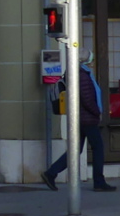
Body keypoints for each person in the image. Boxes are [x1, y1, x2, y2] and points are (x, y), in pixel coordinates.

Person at [41, 48, 115, 192]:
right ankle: (99, 182)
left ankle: (51, 173)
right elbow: (87, 98)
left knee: (75, 150)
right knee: (98, 148)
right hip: (87, 118)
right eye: (91, 59)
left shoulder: (76, 73)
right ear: (84, 60)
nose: (92, 63)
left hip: (79, 118)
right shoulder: (82, 75)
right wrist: (97, 112)